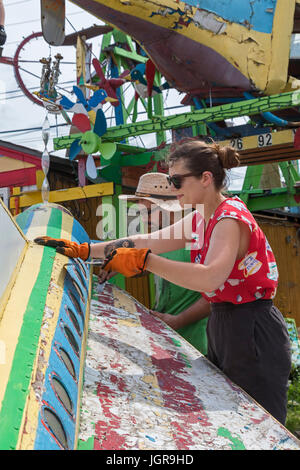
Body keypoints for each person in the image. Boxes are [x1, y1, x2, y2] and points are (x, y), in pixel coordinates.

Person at [34, 138, 292, 425]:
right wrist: (85, 250)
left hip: (252, 329)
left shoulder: (229, 219)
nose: (172, 188)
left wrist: (146, 261)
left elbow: (210, 277)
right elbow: (145, 241)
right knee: (231, 421)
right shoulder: (202, 219)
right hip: (227, 326)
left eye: (177, 180)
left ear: (206, 178)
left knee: (261, 426)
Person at [99, 172, 208, 355]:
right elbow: (157, 268)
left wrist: (179, 320)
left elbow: (214, 297)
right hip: (169, 340)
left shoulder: (196, 239)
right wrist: (123, 267)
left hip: (196, 345)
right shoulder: (161, 239)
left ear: (170, 207)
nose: (143, 219)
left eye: (148, 212)